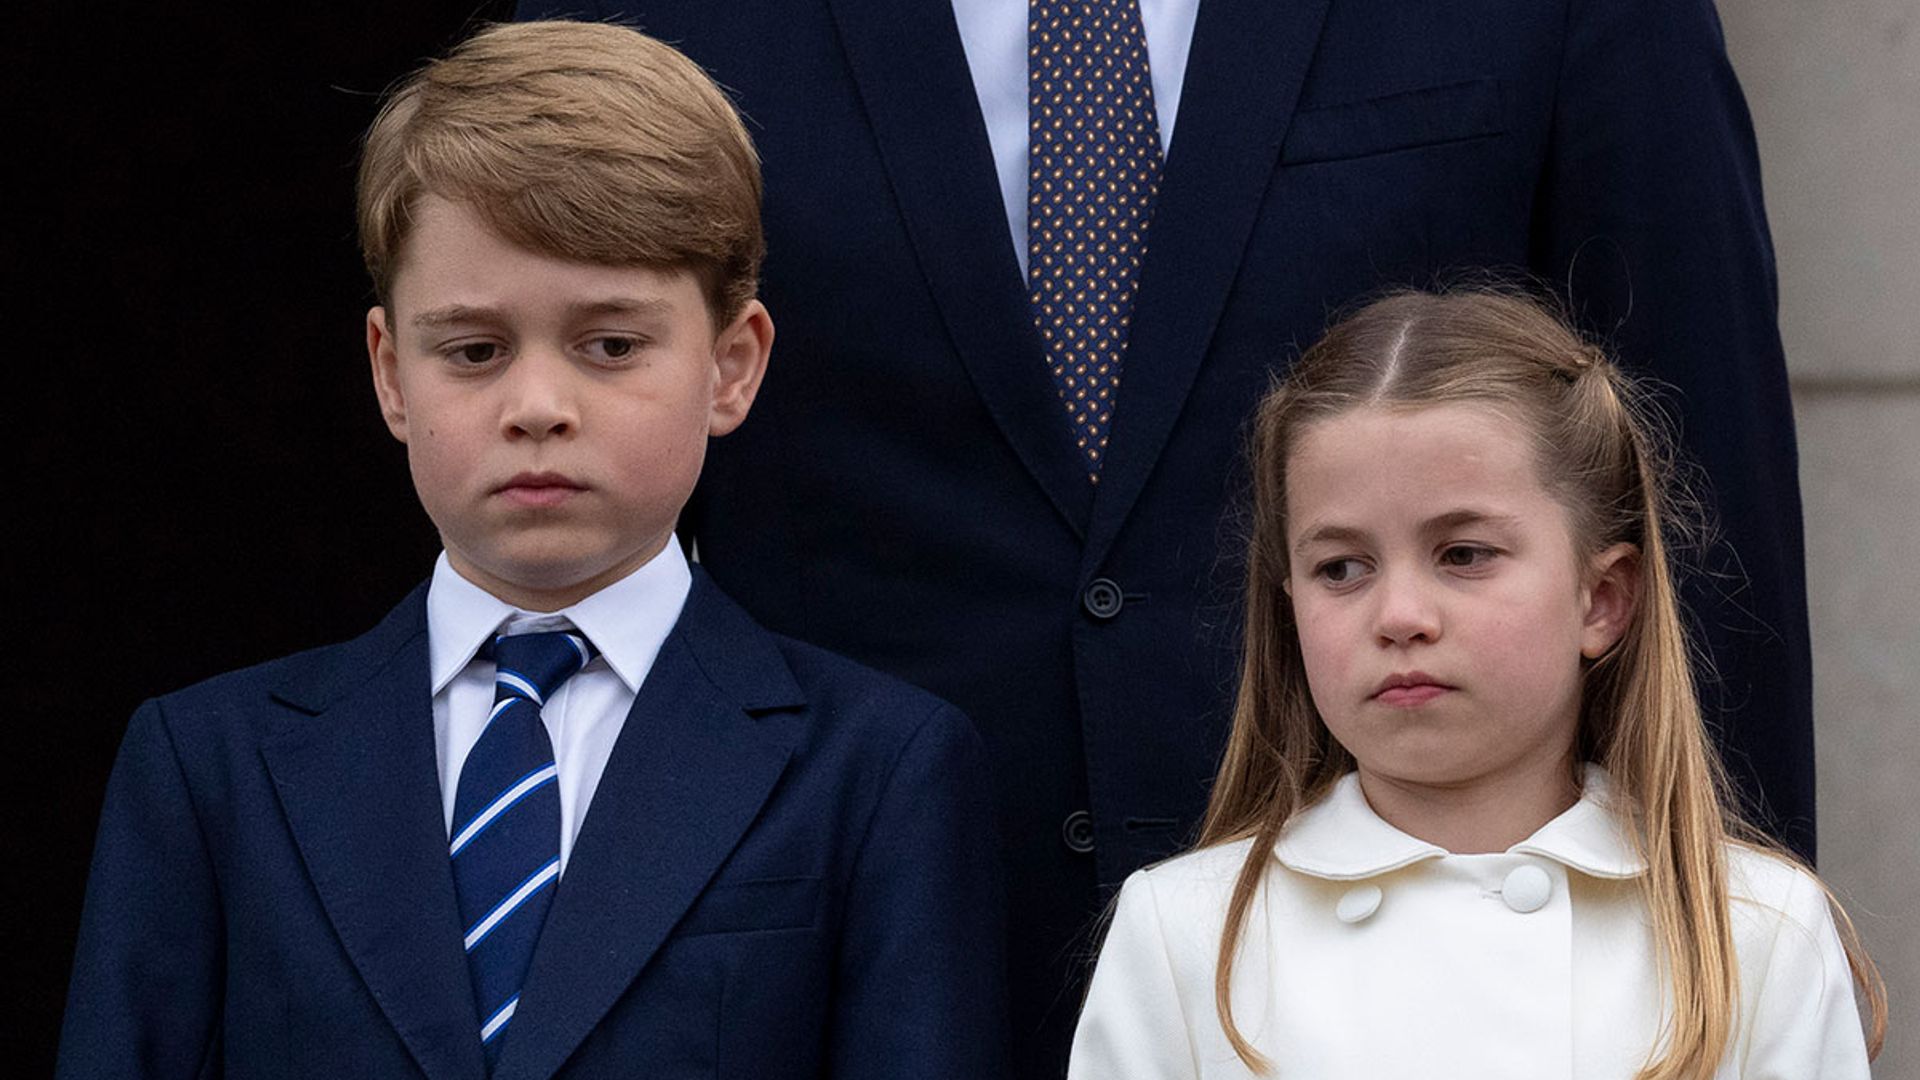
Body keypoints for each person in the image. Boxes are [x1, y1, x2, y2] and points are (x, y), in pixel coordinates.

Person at [516, 2, 1815, 1073]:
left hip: (1482, 958)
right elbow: (561, 507)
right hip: (842, 982)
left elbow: (1688, 482)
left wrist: (1729, 949)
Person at [56, 22, 1009, 1080]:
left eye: (611, 345)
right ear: (389, 372)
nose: (539, 407)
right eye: (474, 350)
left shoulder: (880, 771)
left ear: (732, 366)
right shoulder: (208, 769)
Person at [1066, 289, 1883, 1078]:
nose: (1401, 615)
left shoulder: (1754, 931)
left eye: (1464, 554)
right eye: (1341, 567)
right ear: (1290, 606)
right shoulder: (1184, 936)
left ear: (1601, 600)